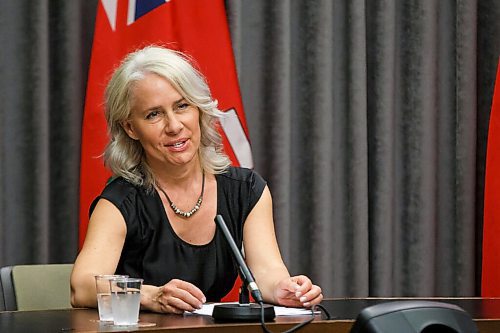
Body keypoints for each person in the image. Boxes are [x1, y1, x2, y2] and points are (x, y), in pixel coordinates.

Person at [70, 46, 322, 314]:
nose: (174, 126)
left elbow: (267, 273)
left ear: (200, 110)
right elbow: (82, 287)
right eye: (154, 114)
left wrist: (287, 290)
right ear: (131, 128)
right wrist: (151, 296)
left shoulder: (246, 191)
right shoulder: (121, 201)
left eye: (182, 106)